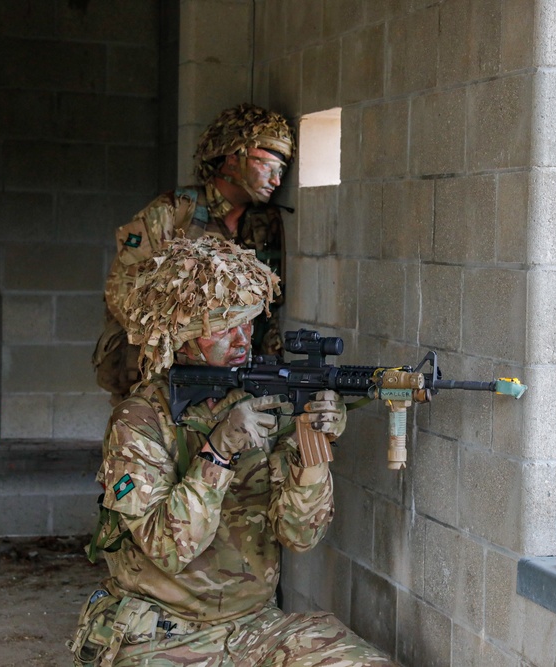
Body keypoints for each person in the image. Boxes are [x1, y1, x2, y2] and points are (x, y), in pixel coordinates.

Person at [70, 236, 395, 666]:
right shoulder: (141, 419)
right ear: (182, 335)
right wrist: (219, 449)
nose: (243, 339)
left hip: (251, 628)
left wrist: (311, 448)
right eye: (224, 327)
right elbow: (171, 550)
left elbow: (300, 536)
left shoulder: (265, 402)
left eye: (249, 322)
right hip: (160, 633)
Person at [93, 102, 294, 404]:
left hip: (232, 370)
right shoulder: (175, 211)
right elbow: (123, 294)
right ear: (231, 158)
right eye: (268, 166)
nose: (277, 180)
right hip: (159, 367)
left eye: (282, 171)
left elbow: (270, 309)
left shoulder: (265, 224)